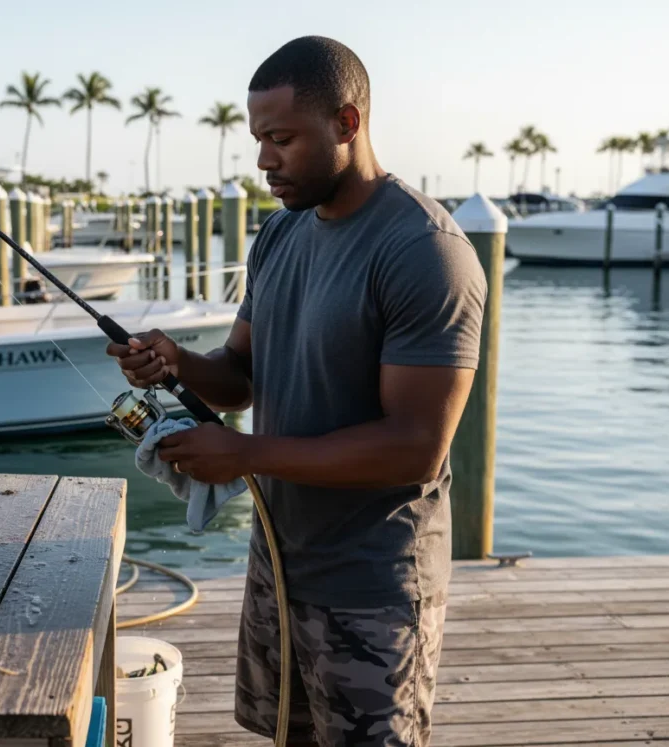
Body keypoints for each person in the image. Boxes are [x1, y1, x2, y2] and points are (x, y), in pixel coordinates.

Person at [107, 36, 487, 747]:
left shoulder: (425, 251)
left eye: (281, 138)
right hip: (280, 566)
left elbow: (414, 446)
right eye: (258, 139)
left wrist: (243, 452)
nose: (263, 161)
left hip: (372, 585)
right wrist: (179, 362)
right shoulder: (278, 237)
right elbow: (244, 374)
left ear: (347, 124)